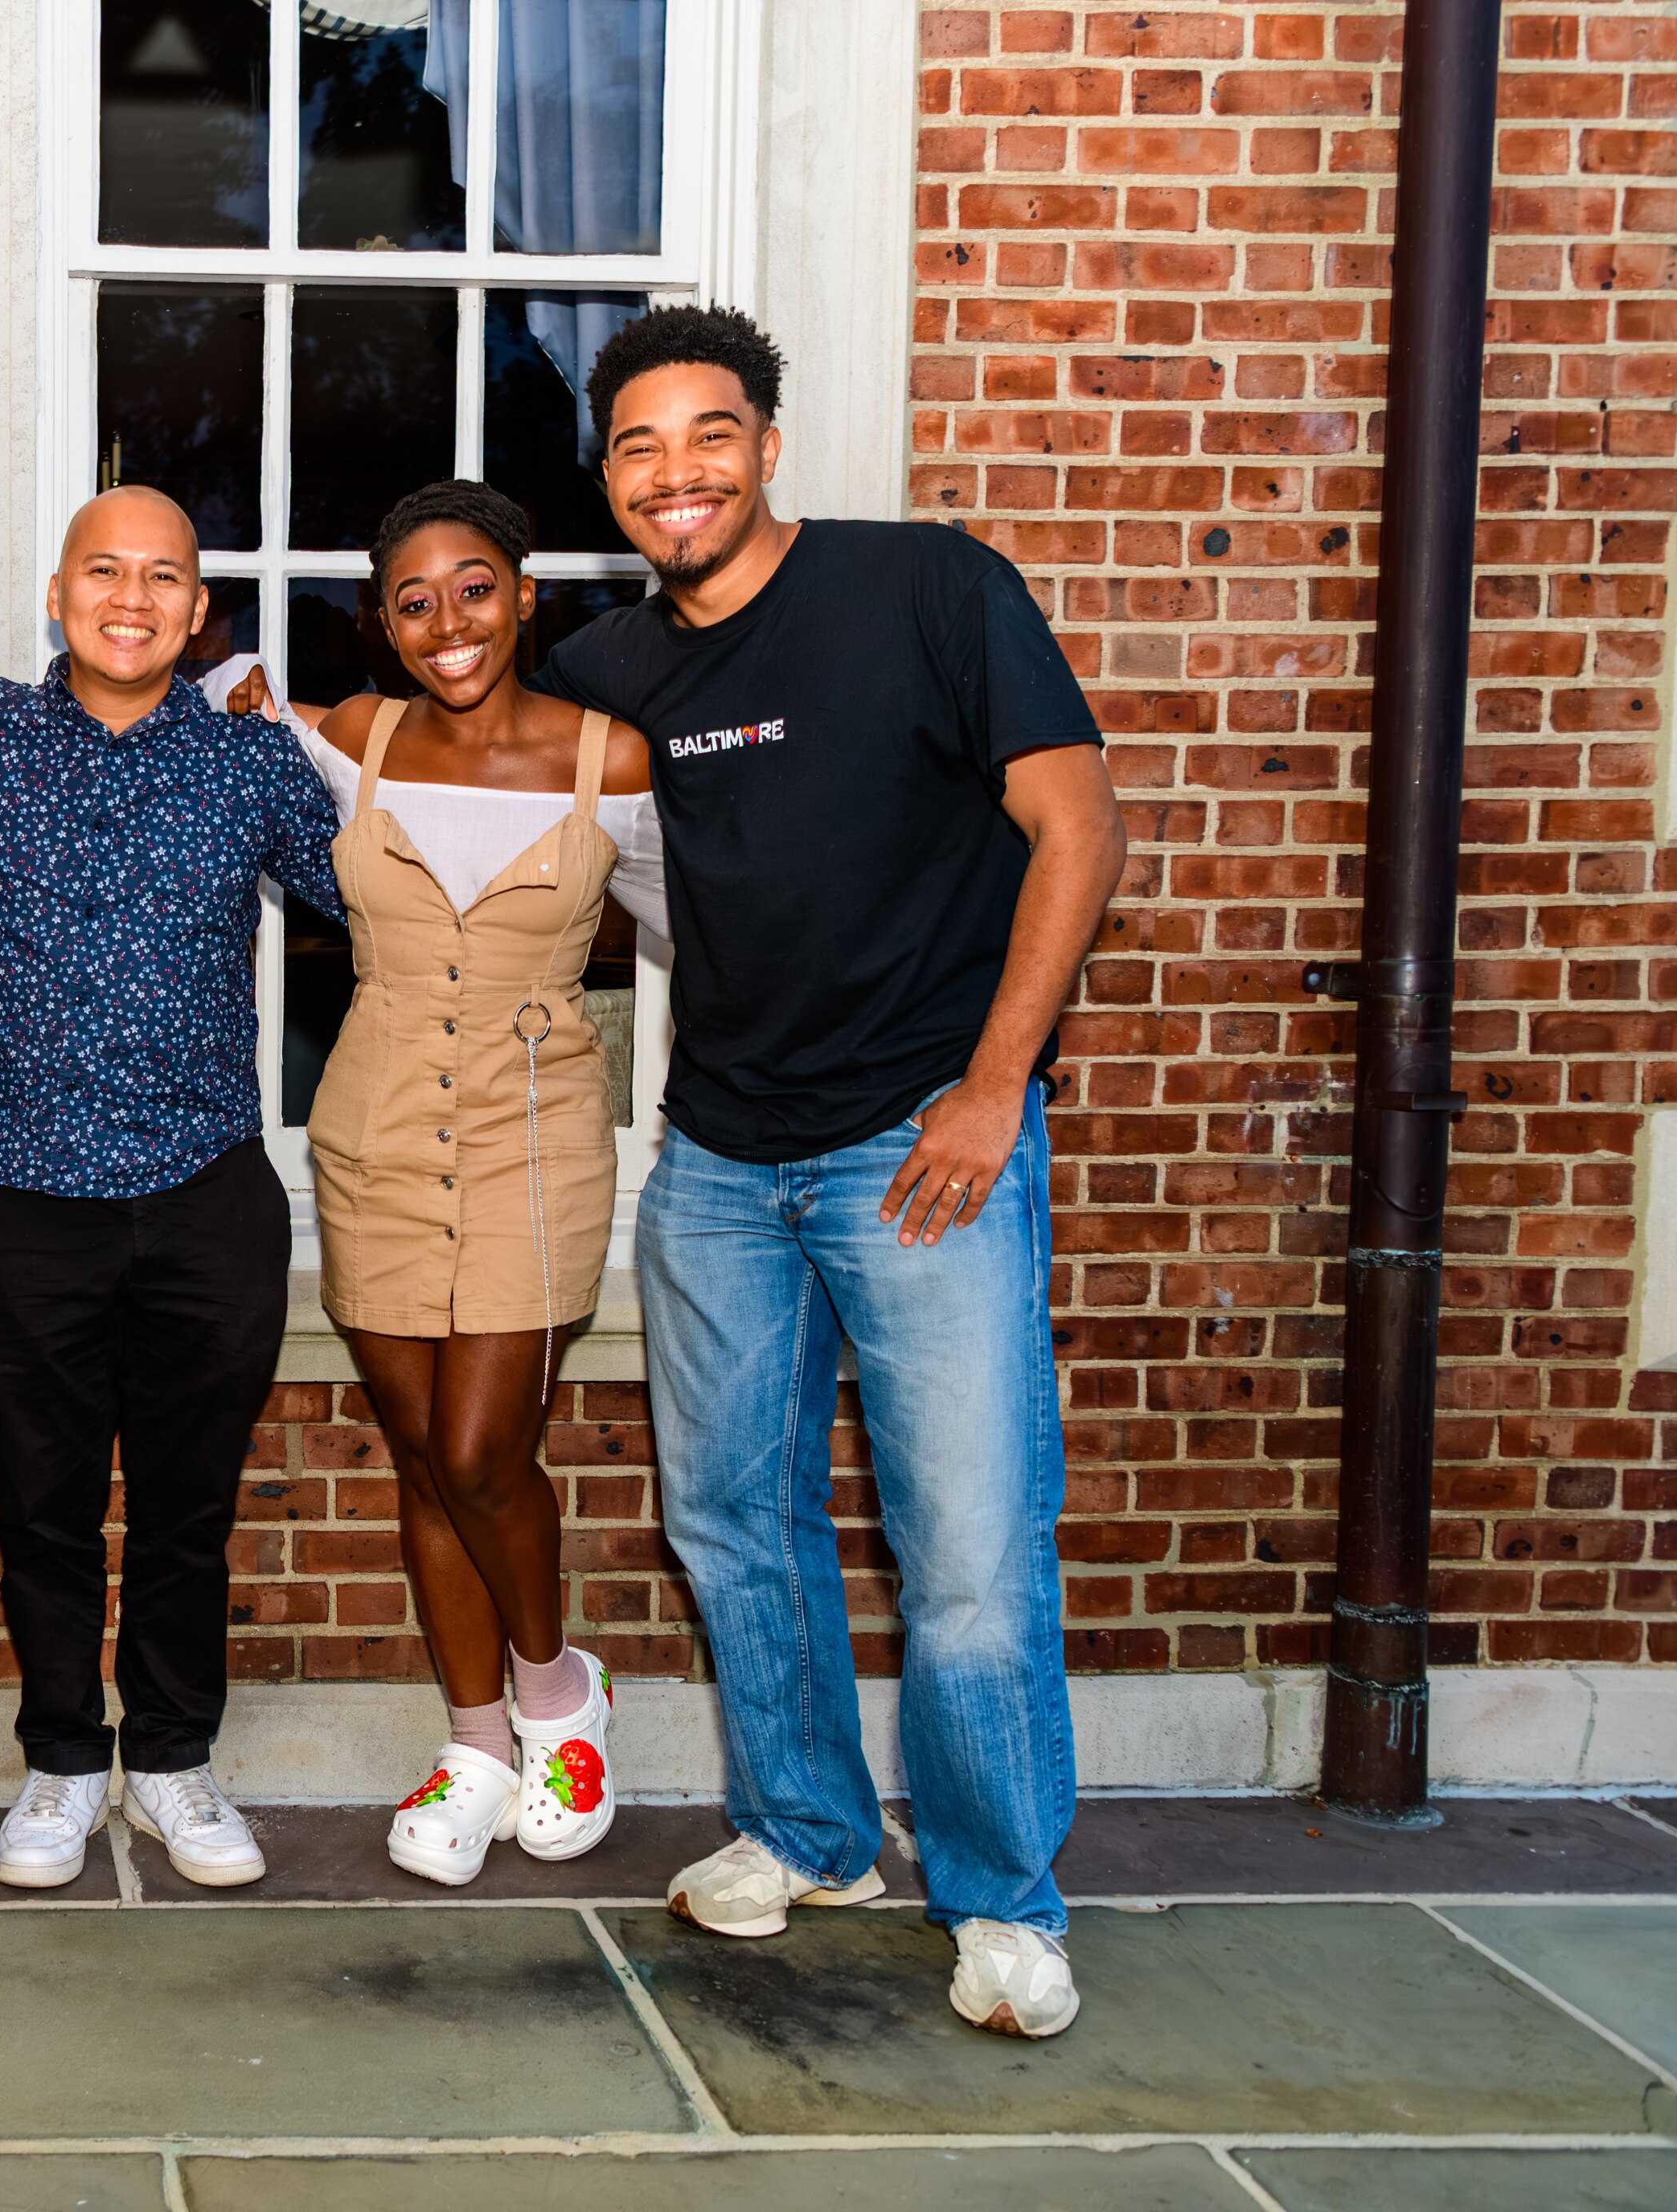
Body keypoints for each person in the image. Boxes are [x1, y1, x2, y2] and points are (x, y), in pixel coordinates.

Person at [524, 305, 1125, 2038]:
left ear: (768, 445)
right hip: (717, 1158)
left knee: (971, 1547)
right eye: (637, 447)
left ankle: (1004, 1896)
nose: (675, 472)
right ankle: (807, 1828)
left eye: (707, 434)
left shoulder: (929, 589)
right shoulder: (622, 673)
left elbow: (1078, 827)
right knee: (733, 1517)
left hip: (921, 1144)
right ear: (612, 480)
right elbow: (471, 747)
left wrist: (993, 1086)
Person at [237, 480, 666, 1886]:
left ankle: (558, 1699)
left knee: (486, 1449)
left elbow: (719, 912)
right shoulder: (352, 740)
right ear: (384, 622)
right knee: (421, 1454)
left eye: (474, 587)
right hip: (367, 1136)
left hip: (534, 1138)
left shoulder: (615, 760)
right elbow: (223, 701)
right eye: (413, 601)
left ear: (526, 592)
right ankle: (474, 1739)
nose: (448, 623)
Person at [0, 486, 346, 1891]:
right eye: (104, 571)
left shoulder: (248, 764)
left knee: (187, 1506)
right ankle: (62, 1763)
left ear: (197, 608)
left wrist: (322, 725)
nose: (133, 596)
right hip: (24, 1194)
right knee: (44, 1502)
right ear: (57, 594)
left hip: (205, 1195)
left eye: (164, 577)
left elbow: (385, 895)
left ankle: (172, 1760)